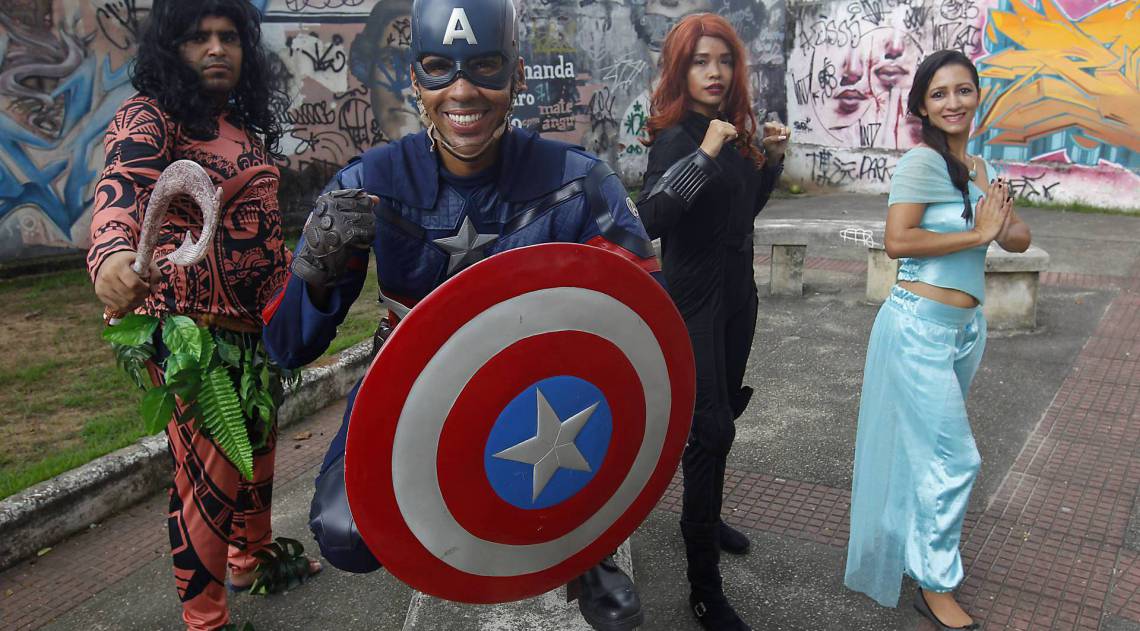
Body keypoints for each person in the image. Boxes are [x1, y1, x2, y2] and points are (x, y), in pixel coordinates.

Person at [261, 0, 659, 629]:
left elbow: (642, 327)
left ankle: (583, 550)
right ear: (415, 80)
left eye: (486, 67)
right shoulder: (370, 181)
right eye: (441, 69)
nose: (463, 90)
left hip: (541, 389)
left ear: (518, 75)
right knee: (346, 533)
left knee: (584, 436)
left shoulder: (578, 182)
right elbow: (285, 347)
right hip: (410, 384)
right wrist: (314, 270)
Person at [87, 1, 319, 629]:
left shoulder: (243, 126)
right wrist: (111, 257)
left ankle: (251, 558)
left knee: (257, 453)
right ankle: (205, 617)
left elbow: (266, 233)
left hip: (254, 330)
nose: (217, 49)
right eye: (198, 38)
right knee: (208, 482)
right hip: (189, 335)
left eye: (229, 37)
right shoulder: (150, 118)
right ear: (172, 49)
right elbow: (123, 190)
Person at [844, 50, 1030, 630]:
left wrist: (1000, 222)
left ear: (978, 96)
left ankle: (916, 547)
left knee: (924, 452)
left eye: (964, 90)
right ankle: (936, 582)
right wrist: (979, 231)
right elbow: (898, 242)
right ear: (922, 104)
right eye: (941, 93)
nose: (954, 102)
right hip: (919, 326)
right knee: (957, 459)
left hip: (964, 331)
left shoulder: (978, 166)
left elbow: (1016, 240)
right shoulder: (920, 164)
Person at [635, 13, 789, 631]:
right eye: (701, 61)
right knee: (709, 429)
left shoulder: (732, 133)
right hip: (693, 303)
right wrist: (703, 154)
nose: (715, 72)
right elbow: (650, 219)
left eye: (724, 60)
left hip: (736, 301)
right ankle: (705, 590)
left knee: (723, 412)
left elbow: (742, 211)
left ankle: (706, 515)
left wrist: (770, 162)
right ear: (680, 68)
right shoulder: (679, 138)